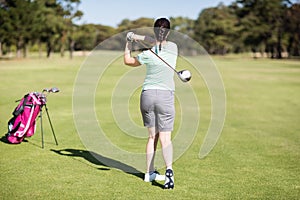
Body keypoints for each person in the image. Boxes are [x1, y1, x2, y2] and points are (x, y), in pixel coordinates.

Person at [124, 17, 177, 189]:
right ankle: (169, 170)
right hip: (165, 96)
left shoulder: (147, 54)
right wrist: (139, 37)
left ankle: (149, 173)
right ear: (168, 32)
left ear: (154, 31)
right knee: (165, 137)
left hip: (147, 96)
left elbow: (128, 61)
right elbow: (156, 40)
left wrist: (129, 42)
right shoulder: (173, 48)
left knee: (151, 137)